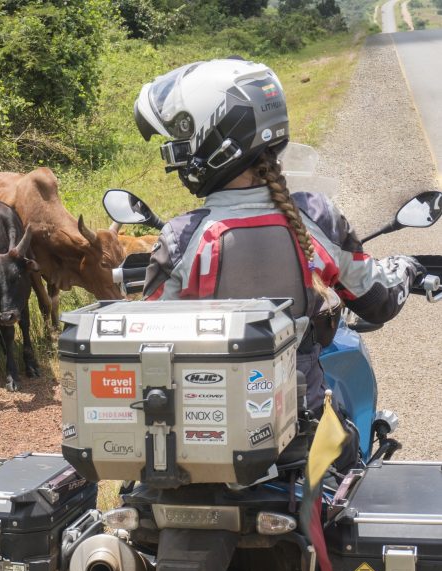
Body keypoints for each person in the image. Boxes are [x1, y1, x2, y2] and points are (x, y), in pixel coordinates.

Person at [133, 57, 425, 414]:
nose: (177, 154)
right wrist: (405, 269)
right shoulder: (316, 218)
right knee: (352, 446)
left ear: (218, 141)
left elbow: (147, 340)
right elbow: (377, 301)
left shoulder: (182, 238)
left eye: (182, 139)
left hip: (204, 427)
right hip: (301, 427)